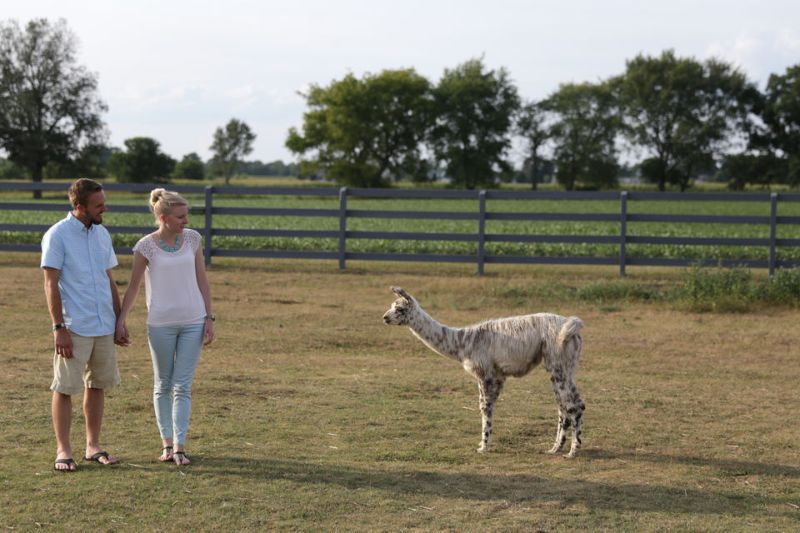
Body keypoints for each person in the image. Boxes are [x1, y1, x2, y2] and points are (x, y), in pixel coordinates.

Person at [116, 188, 214, 466]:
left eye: (187, 216)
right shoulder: (145, 246)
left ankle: (181, 447)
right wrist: (121, 320)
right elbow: (134, 286)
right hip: (160, 324)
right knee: (163, 384)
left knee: (182, 386)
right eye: (180, 216)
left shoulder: (193, 239)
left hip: (194, 321)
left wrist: (210, 317)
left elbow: (202, 279)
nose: (186, 221)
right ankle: (167, 444)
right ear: (163, 217)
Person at [42, 178, 125, 472]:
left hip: (104, 324)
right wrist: (58, 327)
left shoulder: (101, 234)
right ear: (80, 207)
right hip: (74, 326)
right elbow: (50, 284)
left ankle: (93, 446)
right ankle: (63, 450)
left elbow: (109, 280)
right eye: (99, 205)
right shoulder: (58, 235)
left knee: (97, 385)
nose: (105, 208)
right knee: (65, 388)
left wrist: (120, 319)